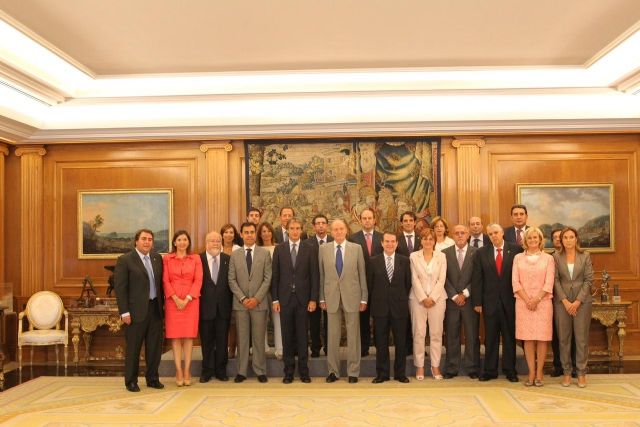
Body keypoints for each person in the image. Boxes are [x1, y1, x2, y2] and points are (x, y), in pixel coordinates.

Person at [114, 229, 165, 392]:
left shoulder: (157, 258)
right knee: (134, 348)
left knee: (154, 348)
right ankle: (131, 381)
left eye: (150, 239)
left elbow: (161, 285)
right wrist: (124, 312)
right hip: (135, 312)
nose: (147, 242)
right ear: (136, 241)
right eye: (143, 239)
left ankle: (153, 378)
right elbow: (120, 289)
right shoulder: (125, 260)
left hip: (155, 309)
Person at [472, 223, 523, 382]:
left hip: (510, 302)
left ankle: (510, 370)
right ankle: (490, 370)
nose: (494, 235)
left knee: (509, 337)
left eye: (496, 232)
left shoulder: (516, 250)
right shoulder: (481, 253)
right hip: (489, 302)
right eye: (491, 233)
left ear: (502, 233)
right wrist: (478, 302)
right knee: (491, 338)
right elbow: (477, 278)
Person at [319, 218, 367, 384]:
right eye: (335, 229)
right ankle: (333, 371)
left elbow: (362, 274)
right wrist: (321, 297)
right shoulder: (323, 249)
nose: (338, 232)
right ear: (331, 232)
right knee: (332, 336)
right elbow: (321, 275)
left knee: (353, 335)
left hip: (352, 296)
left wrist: (364, 298)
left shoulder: (356, 248)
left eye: (341, 229)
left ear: (346, 230)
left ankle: (353, 371)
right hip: (331, 297)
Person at [271, 218, 319, 383]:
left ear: (302, 230)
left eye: (298, 228)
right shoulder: (280, 249)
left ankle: (304, 371)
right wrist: (275, 299)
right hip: (285, 299)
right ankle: (289, 372)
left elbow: (314, 275)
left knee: (302, 336)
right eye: (292, 228)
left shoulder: (310, 249)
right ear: (287, 230)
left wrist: (313, 299)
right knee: (287, 336)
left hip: (303, 300)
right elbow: (275, 276)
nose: (295, 231)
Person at [228, 222, 273, 383]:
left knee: (259, 338)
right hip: (240, 304)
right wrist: (243, 298)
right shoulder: (235, 255)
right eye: (246, 232)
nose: (249, 235)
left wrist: (256, 298)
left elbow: (268, 279)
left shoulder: (264, 254)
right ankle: (241, 371)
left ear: (256, 234)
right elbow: (231, 279)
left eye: (252, 232)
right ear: (241, 234)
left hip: (259, 303)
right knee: (242, 339)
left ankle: (260, 370)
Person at [512, 227, 555, 387]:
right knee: (528, 338)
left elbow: (549, 282)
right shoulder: (518, 258)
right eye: (529, 238)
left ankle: (539, 372)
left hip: (543, 303)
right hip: (523, 303)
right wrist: (527, 299)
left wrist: (536, 299)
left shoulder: (548, 259)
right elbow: (515, 282)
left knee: (542, 338)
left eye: (535, 237)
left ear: (540, 240)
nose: (532, 240)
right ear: (525, 241)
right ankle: (531, 372)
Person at [368, 232, 411, 383]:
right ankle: (382, 374)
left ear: (397, 244)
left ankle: (400, 373)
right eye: (387, 241)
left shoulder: (404, 261)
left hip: (399, 307)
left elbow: (408, 284)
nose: (390, 244)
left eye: (393, 241)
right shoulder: (373, 261)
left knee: (401, 342)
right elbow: (370, 284)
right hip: (380, 308)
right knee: (381, 343)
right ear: (382, 243)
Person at [553, 227, 593, 388]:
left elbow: (588, 280)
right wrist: (565, 301)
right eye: (565, 237)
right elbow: (555, 280)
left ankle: (581, 373)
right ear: (561, 240)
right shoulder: (556, 257)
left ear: (576, 239)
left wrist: (577, 301)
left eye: (571, 237)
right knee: (564, 339)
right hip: (562, 303)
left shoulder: (585, 255)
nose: (568, 240)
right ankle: (567, 372)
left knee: (581, 339)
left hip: (582, 303)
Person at [162, 230, 203, 386]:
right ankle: (178, 370)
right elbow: (165, 280)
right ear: (174, 242)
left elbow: (198, 280)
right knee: (175, 337)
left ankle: (187, 369)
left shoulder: (195, 258)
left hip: (191, 302)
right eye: (179, 239)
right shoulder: (167, 259)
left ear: (188, 242)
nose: (182, 242)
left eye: (185, 239)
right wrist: (175, 298)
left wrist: (186, 299)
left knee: (188, 337)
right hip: (172, 302)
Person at [442, 224, 480, 379]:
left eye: (462, 233)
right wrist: (454, 295)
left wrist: (464, 294)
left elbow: (478, 276)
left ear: (468, 235)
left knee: (471, 335)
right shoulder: (444, 253)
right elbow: (442, 277)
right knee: (452, 335)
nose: (459, 236)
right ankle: (452, 368)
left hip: (469, 301)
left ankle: (472, 367)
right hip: (451, 302)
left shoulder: (476, 253)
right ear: (452, 235)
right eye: (456, 233)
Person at [409, 228, 447, 380]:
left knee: (436, 333)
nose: (428, 241)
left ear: (435, 241)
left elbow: (442, 279)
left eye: (431, 239)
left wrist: (432, 298)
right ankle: (419, 366)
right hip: (418, 300)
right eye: (425, 238)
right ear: (421, 240)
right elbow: (414, 278)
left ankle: (435, 366)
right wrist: (423, 298)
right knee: (419, 333)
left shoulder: (442, 256)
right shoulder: (413, 256)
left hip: (437, 300)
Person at [348, 208, 383, 357]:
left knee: (379, 319)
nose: (367, 221)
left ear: (374, 220)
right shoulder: (352, 238)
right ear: (360, 220)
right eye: (364, 218)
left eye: (370, 218)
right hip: (360, 285)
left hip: (379, 285)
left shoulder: (383, 237)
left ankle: (380, 348)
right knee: (362, 318)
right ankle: (363, 348)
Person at [199, 231, 232, 383]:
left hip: (223, 308)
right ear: (206, 243)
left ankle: (221, 371)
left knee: (222, 342)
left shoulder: (227, 259)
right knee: (206, 342)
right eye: (212, 241)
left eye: (218, 241)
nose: (215, 244)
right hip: (204, 308)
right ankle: (207, 371)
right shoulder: (198, 259)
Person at [550, 228, 577, 378]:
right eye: (555, 237)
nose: (558, 239)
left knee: (575, 336)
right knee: (558, 336)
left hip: (575, 302)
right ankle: (558, 366)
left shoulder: (579, 256)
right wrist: (563, 300)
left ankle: (574, 367)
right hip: (557, 302)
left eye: (560, 237)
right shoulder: (550, 258)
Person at [304, 214, 333, 357]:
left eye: (323, 223)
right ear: (314, 226)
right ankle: (315, 348)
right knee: (314, 320)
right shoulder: (306, 243)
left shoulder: (334, 241)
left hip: (331, 287)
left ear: (327, 225)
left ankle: (329, 348)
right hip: (312, 288)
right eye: (318, 223)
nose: (321, 225)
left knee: (330, 320)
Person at [257, 221, 282, 360]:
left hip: (276, 288)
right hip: (260, 289)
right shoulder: (257, 249)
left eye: (268, 231)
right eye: (263, 231)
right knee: (261, 318)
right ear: (260, 234)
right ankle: (263, 347)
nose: (266, 234)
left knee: (278, 318)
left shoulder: (279, 248)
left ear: (272, 233)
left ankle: (280, 349)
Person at [221, 223, 242, 358]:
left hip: (235, 289)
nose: (228, 235)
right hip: (221, 289)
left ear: (234, 235)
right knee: (223, 320)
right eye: (226, 232)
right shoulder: (217, 247)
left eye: (231, 232)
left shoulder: (238, 249)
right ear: (222, 235)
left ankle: (232, 348)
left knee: (234, 320)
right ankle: (222, 347)